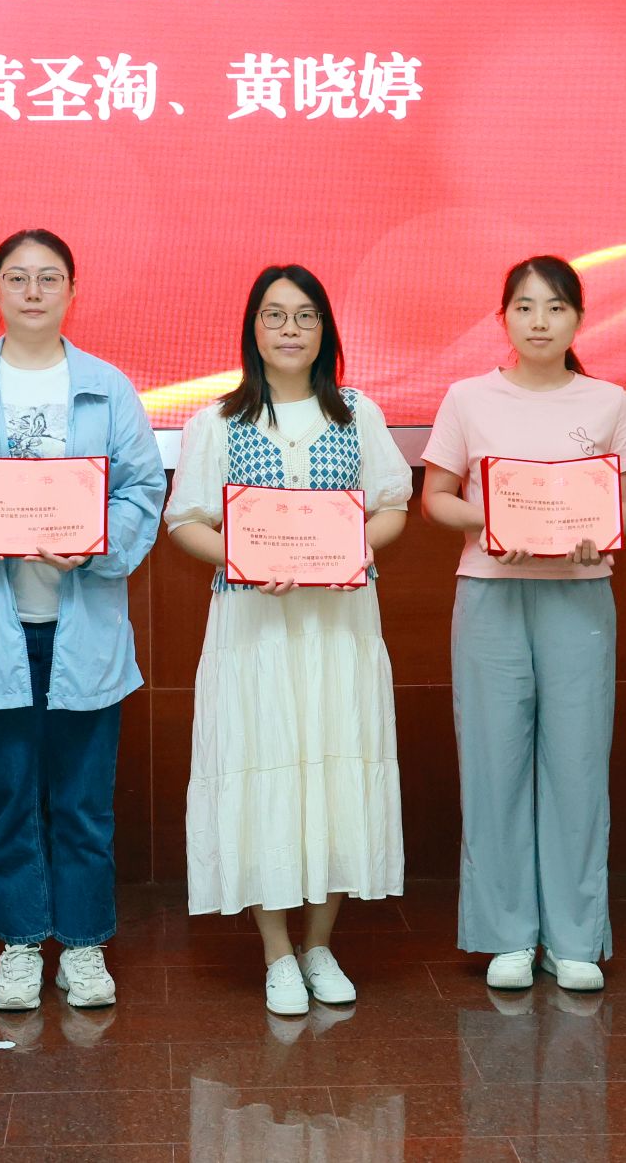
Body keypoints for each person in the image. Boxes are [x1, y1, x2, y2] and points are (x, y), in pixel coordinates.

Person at [0, 229, 165, 1011]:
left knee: (83, 800)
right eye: (16, 277)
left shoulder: (107, 387)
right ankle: (21, 941)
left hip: (83, 625)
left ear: (72, 292)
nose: (32, 291)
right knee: (10, 794)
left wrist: (97, 543)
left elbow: (142, 489)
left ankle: (83, 943)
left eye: (49, 278)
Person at [166, 264, 412, 1016]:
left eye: (305, 316)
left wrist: (352, 550)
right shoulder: (217, 420)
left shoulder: (357, 413)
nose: (290, 329)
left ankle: (320, 945)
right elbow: (185, 521)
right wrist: (245, 556)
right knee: (263, 770)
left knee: (336, 772)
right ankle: (276, 951)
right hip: (256, 630)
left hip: (338, 628)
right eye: (274, 315)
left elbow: (393, 505)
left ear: (325, 330)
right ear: (253, 329)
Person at [420, 255, 626, 993]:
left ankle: (575, 938)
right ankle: (507, 935)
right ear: (504, 318)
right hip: (491, 593)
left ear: (578, 318)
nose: (539, 321)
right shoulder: (468, 397)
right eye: (524, 307)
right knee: (494, 764)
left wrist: (599, 534)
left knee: (578, 765)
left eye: (554, 307)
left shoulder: (608, 401)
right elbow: (436, 497)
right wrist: (488, 521)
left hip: (579, 595)